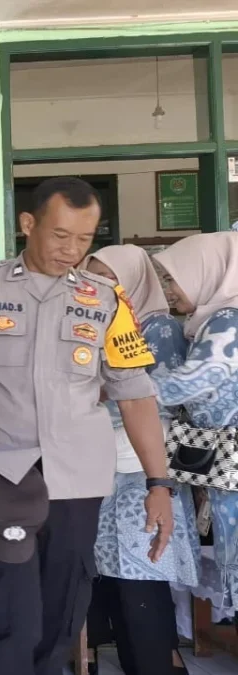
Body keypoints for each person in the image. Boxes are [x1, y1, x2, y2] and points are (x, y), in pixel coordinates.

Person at [0, 176, 175, 675]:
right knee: (6, 609)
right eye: (61, 235)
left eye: (85, 239)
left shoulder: (107, 300)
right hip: (0, 470)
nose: (73, 250)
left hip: (77, 476)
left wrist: (158, 482)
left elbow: (135, 394)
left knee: (62, 612)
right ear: (28, 224)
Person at [82, 245, 200, 675]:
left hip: (141, 469)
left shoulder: (159, 328)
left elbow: (155, 397)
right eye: (89, 277)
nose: (96, 288)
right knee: (106, 577)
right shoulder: (93, 324)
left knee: (140, 582)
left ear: (132, 280)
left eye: (106, 279)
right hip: (101, 467)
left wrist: (92, 392)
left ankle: (157, 664)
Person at [147, 232, 238, 637]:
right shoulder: (207, 321)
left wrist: (122, 389)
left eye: (171, 279)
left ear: (205, 274)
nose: (167, 290)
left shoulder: (226, 320)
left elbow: (195, 381)